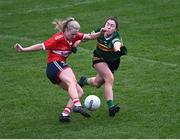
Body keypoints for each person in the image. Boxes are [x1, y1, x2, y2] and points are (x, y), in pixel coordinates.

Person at [14, 17, 105, 122]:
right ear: (66, 30)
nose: (75, 37)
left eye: (76, 34)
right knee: (72, 81)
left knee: (79, 92)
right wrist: (23, 49)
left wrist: (100, 33)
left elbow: (89, 36)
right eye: (72, 34)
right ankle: (78, 105)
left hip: (57, 68)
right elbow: (41, 46)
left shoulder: (75, 35)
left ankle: (65, 114)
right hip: (54, 65)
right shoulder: (58, 38)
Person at [78, 16, 127, 117]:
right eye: (107, 24)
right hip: (99, 59)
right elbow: (86, 37)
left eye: (112, 25)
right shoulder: (99, 32)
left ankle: (84, 81)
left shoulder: (116, 37)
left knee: (97, 83)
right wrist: (74, 43)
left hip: (113, 62)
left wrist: (117, 49)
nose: (109, 27)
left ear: (116, 29)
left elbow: (116, 44)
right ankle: (111, 107)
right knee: (109, 78)